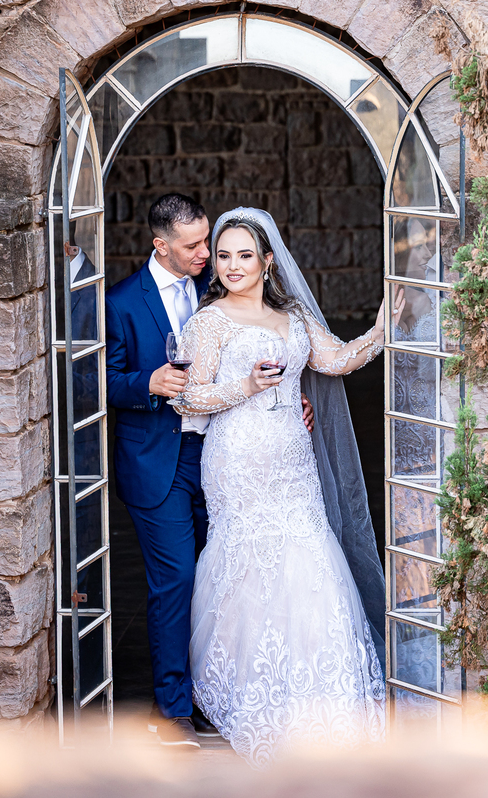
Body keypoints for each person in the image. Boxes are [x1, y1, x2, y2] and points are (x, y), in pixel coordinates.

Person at [174, 207, 402, 767]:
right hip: (237, 463)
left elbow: (336, 361)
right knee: (248, 563)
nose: (231, 265)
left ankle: (320, 697)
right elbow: (189, 398)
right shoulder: (209, 322)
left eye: (243, 255)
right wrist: (245, 384)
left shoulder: (294, 315)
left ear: (267, 261)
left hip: (292, 464)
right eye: (223, 256)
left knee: (308, 556)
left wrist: (379, 332)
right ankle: (246, 693)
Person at [104, 194, 315, 749]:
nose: (209, 255)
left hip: (223, 457)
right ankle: (171, 709)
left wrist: (290, 400)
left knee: (224, 576)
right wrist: (144, 385)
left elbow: (261, 350)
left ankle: (211, 690)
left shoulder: (220, 287)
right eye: (195, 246)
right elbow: (90, 381)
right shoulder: (122, 302)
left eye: (210, 244)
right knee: (175, 580)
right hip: (158, 461)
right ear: (161, 246)